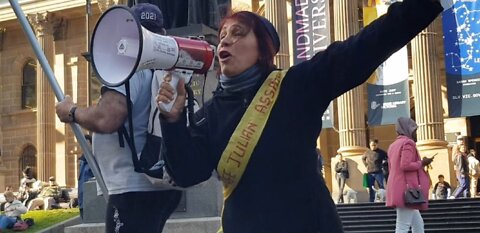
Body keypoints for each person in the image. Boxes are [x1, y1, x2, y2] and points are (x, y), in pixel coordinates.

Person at [156, 1, 451, 232]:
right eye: (222, 36)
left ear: (263, 49)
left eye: (238, 33)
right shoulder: (211, 112)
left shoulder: (295, 86)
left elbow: (364, 48)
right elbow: (188, 172)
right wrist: (172, 122)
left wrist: (422, 5)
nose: (224, 41)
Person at [55, 3, 182, 232]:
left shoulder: (128, 67)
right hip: (160, 184)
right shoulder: (165, 71)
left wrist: (72, 112)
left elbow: (107, 118)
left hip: (132, 186)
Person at [386, 117, 432, 233]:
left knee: (418, 224)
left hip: (397, 188)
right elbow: (405, 165)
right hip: (407, 191)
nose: (415, 132)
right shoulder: (408, 143)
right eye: (414, 129)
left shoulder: (393, 145)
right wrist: (422, 163)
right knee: (402, 226)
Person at [77, 134, 94, 220]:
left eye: (86, 144)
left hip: (92, 201)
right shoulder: (82, 161)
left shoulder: (95, 161)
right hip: (82, 201)